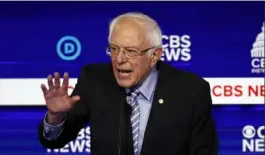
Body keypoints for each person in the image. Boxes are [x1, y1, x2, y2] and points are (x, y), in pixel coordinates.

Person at [38, 12, 219, 155]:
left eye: (131, 51)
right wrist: (56, 118)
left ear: (154, 55)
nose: (120, 60)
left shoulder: (190, 91)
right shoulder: (94, 80)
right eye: (114, 49)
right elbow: (55, 140)